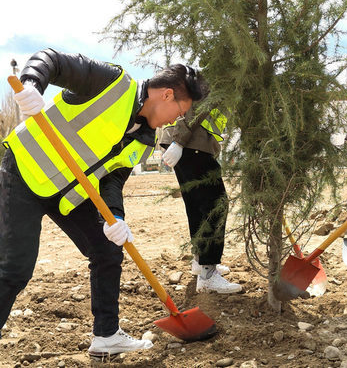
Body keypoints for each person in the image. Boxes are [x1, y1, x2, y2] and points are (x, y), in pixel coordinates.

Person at [0, 48, 200, 356]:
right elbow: (51, 60)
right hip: (23, 173)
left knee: (108, 248)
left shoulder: (144, 140)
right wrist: (31, 84)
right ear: (167, 95)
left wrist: (116, 217)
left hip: (66, 193)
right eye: (181, 111)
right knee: (15, 268)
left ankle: (106, 336)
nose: (178, 119)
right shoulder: (112, 82)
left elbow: (112, 181)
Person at [160, 97, 242, 294]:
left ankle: (200, 262)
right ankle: (208, 275)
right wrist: (179, 142)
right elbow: (196, 107)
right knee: (215, 205)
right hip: (191, 142)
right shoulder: (213, 81)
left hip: (189, 143)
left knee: (198, 206)